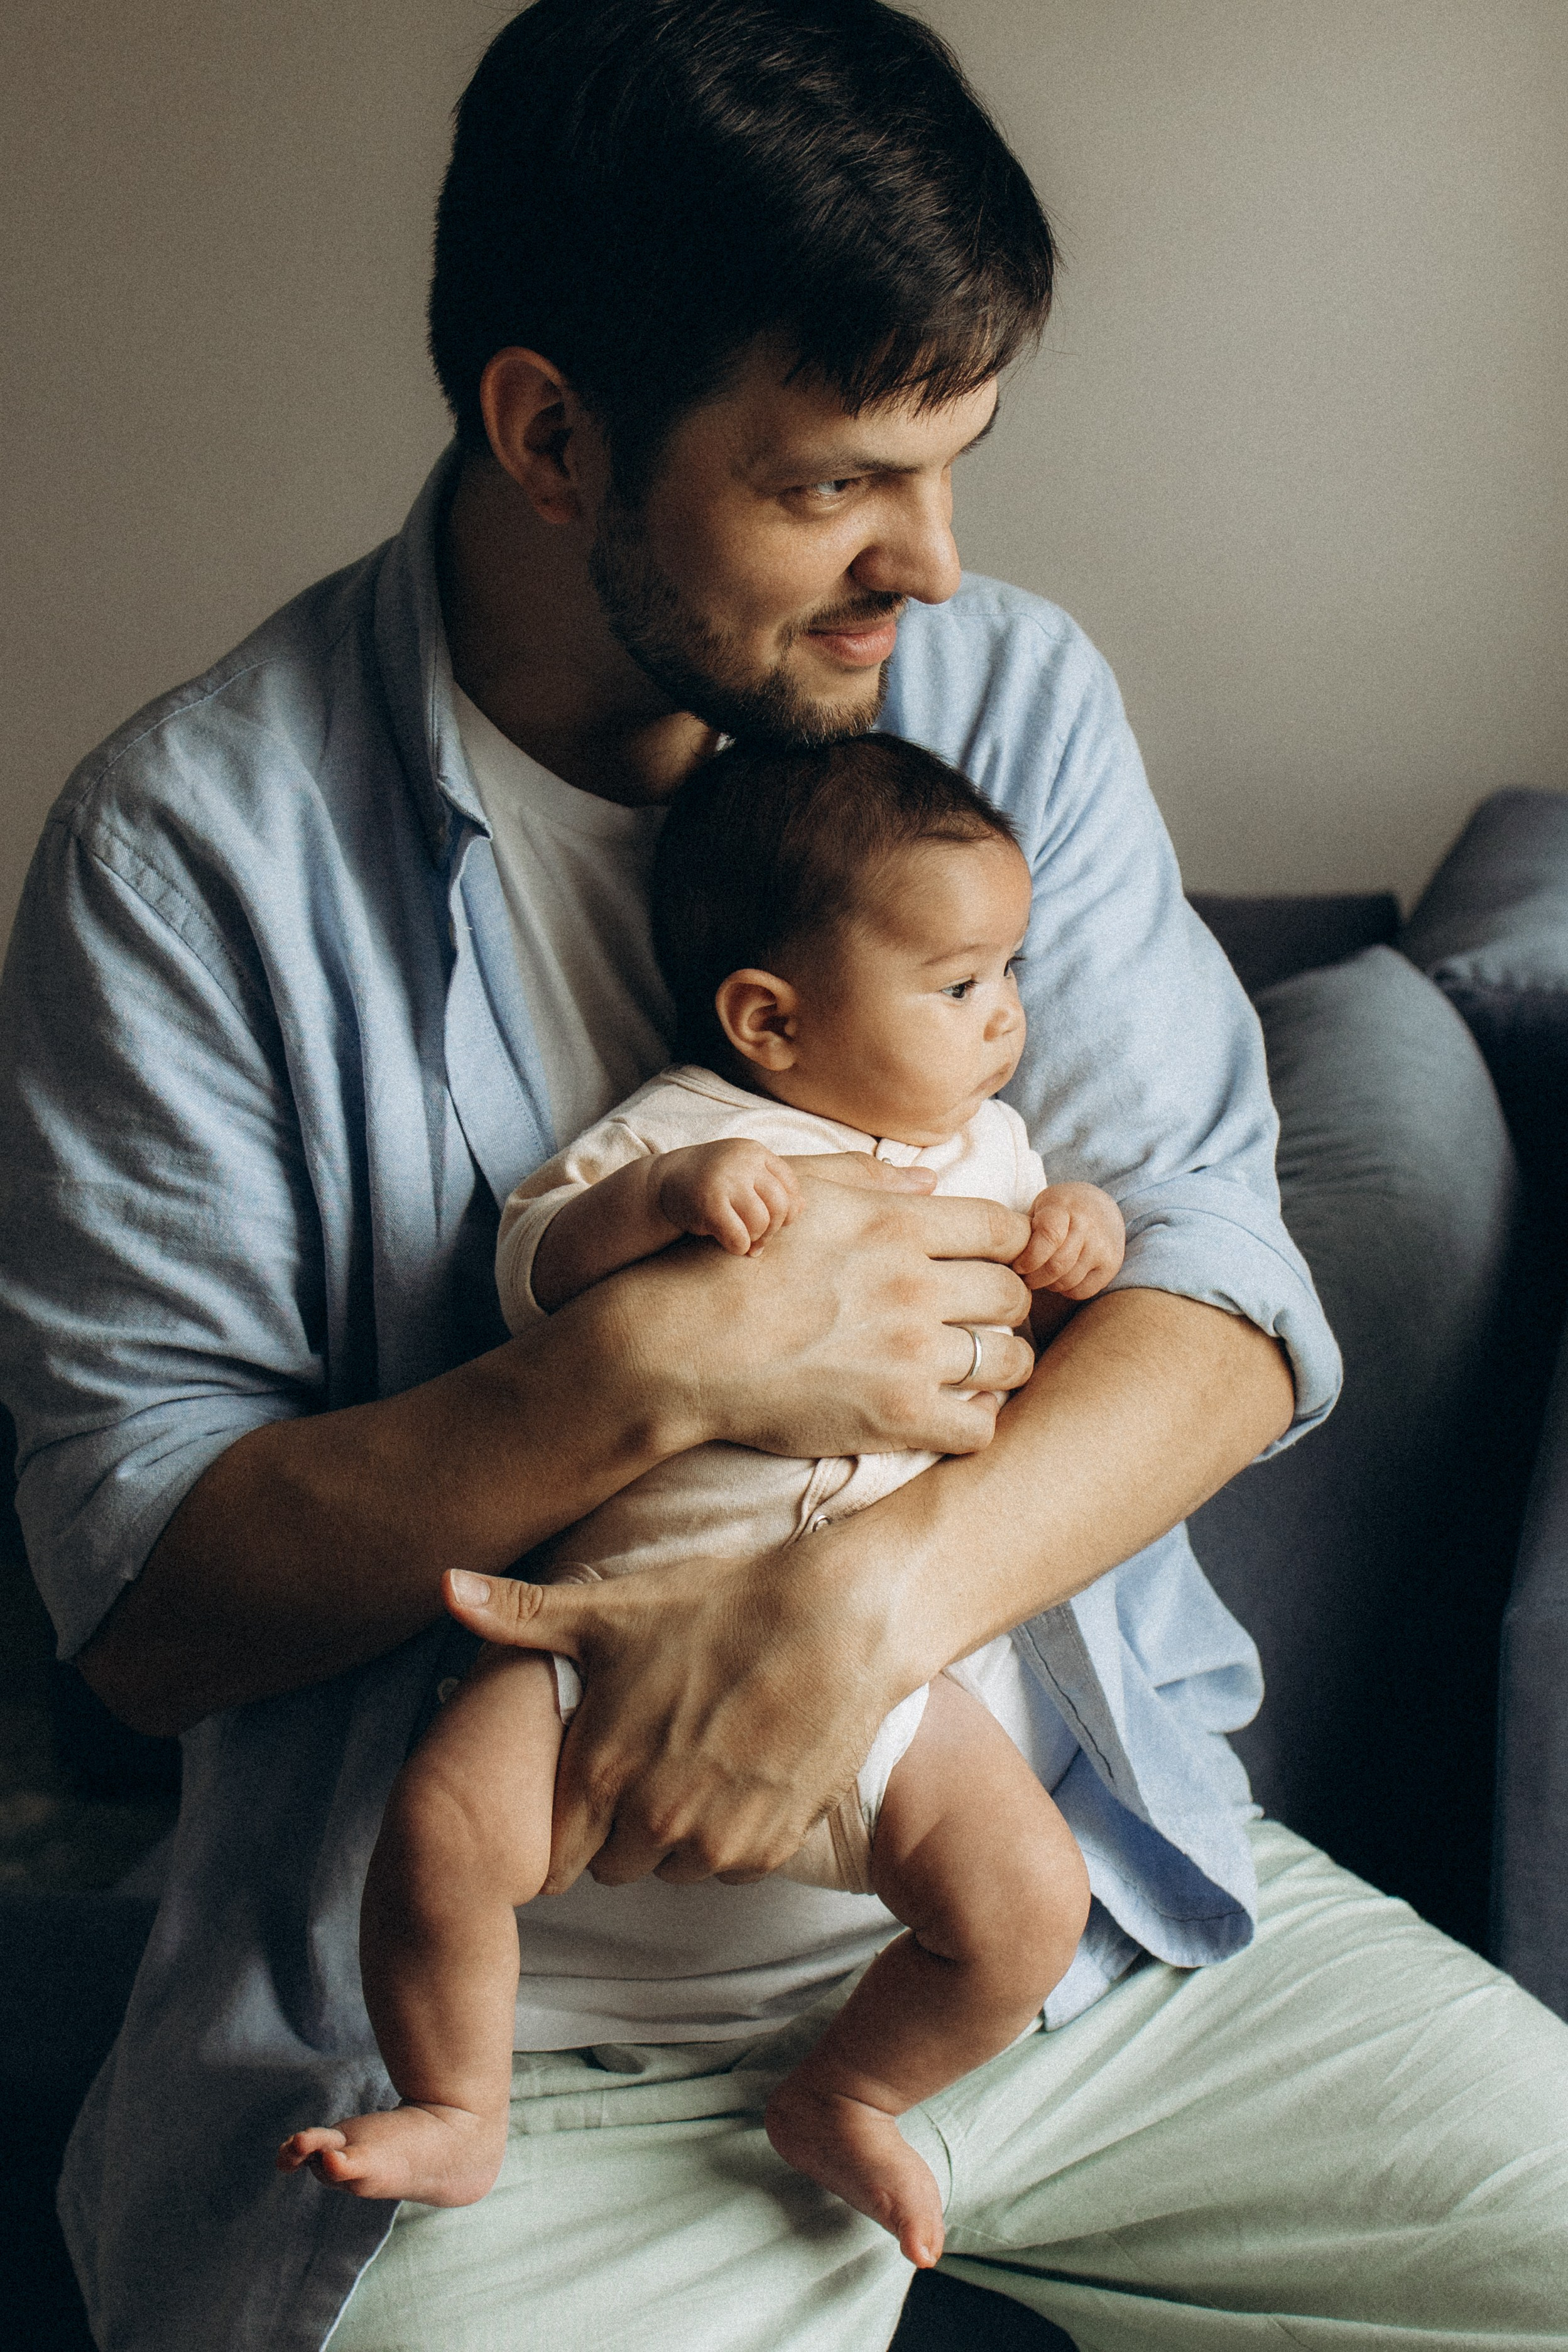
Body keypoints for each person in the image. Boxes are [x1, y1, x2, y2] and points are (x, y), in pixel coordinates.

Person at [1, 3, 1564, 2347]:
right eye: (833, 485)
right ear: (550, 434)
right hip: (518, 2038)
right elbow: (142, 1595)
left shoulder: (999, 701)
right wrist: (645, 1366)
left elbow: (1222, 1300)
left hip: (1085, 1929)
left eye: (952, 465)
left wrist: (874, 1604)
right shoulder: (186, 859)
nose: (924, 569)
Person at [278, 738, 1123, 2258]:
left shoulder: (992, 1150)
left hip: (886, 1666)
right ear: (769, 1020)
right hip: (605, 1634)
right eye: (957, 984)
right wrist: (660, 1205)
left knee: (1025, 1910)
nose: (1006, 1018)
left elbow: (1027, 1356)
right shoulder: (692, 1131)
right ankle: (461, 2106)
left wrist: (1074, 1232)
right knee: (444, 1829)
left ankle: (850, 2096)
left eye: (1011, 971)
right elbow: (532, 1266)